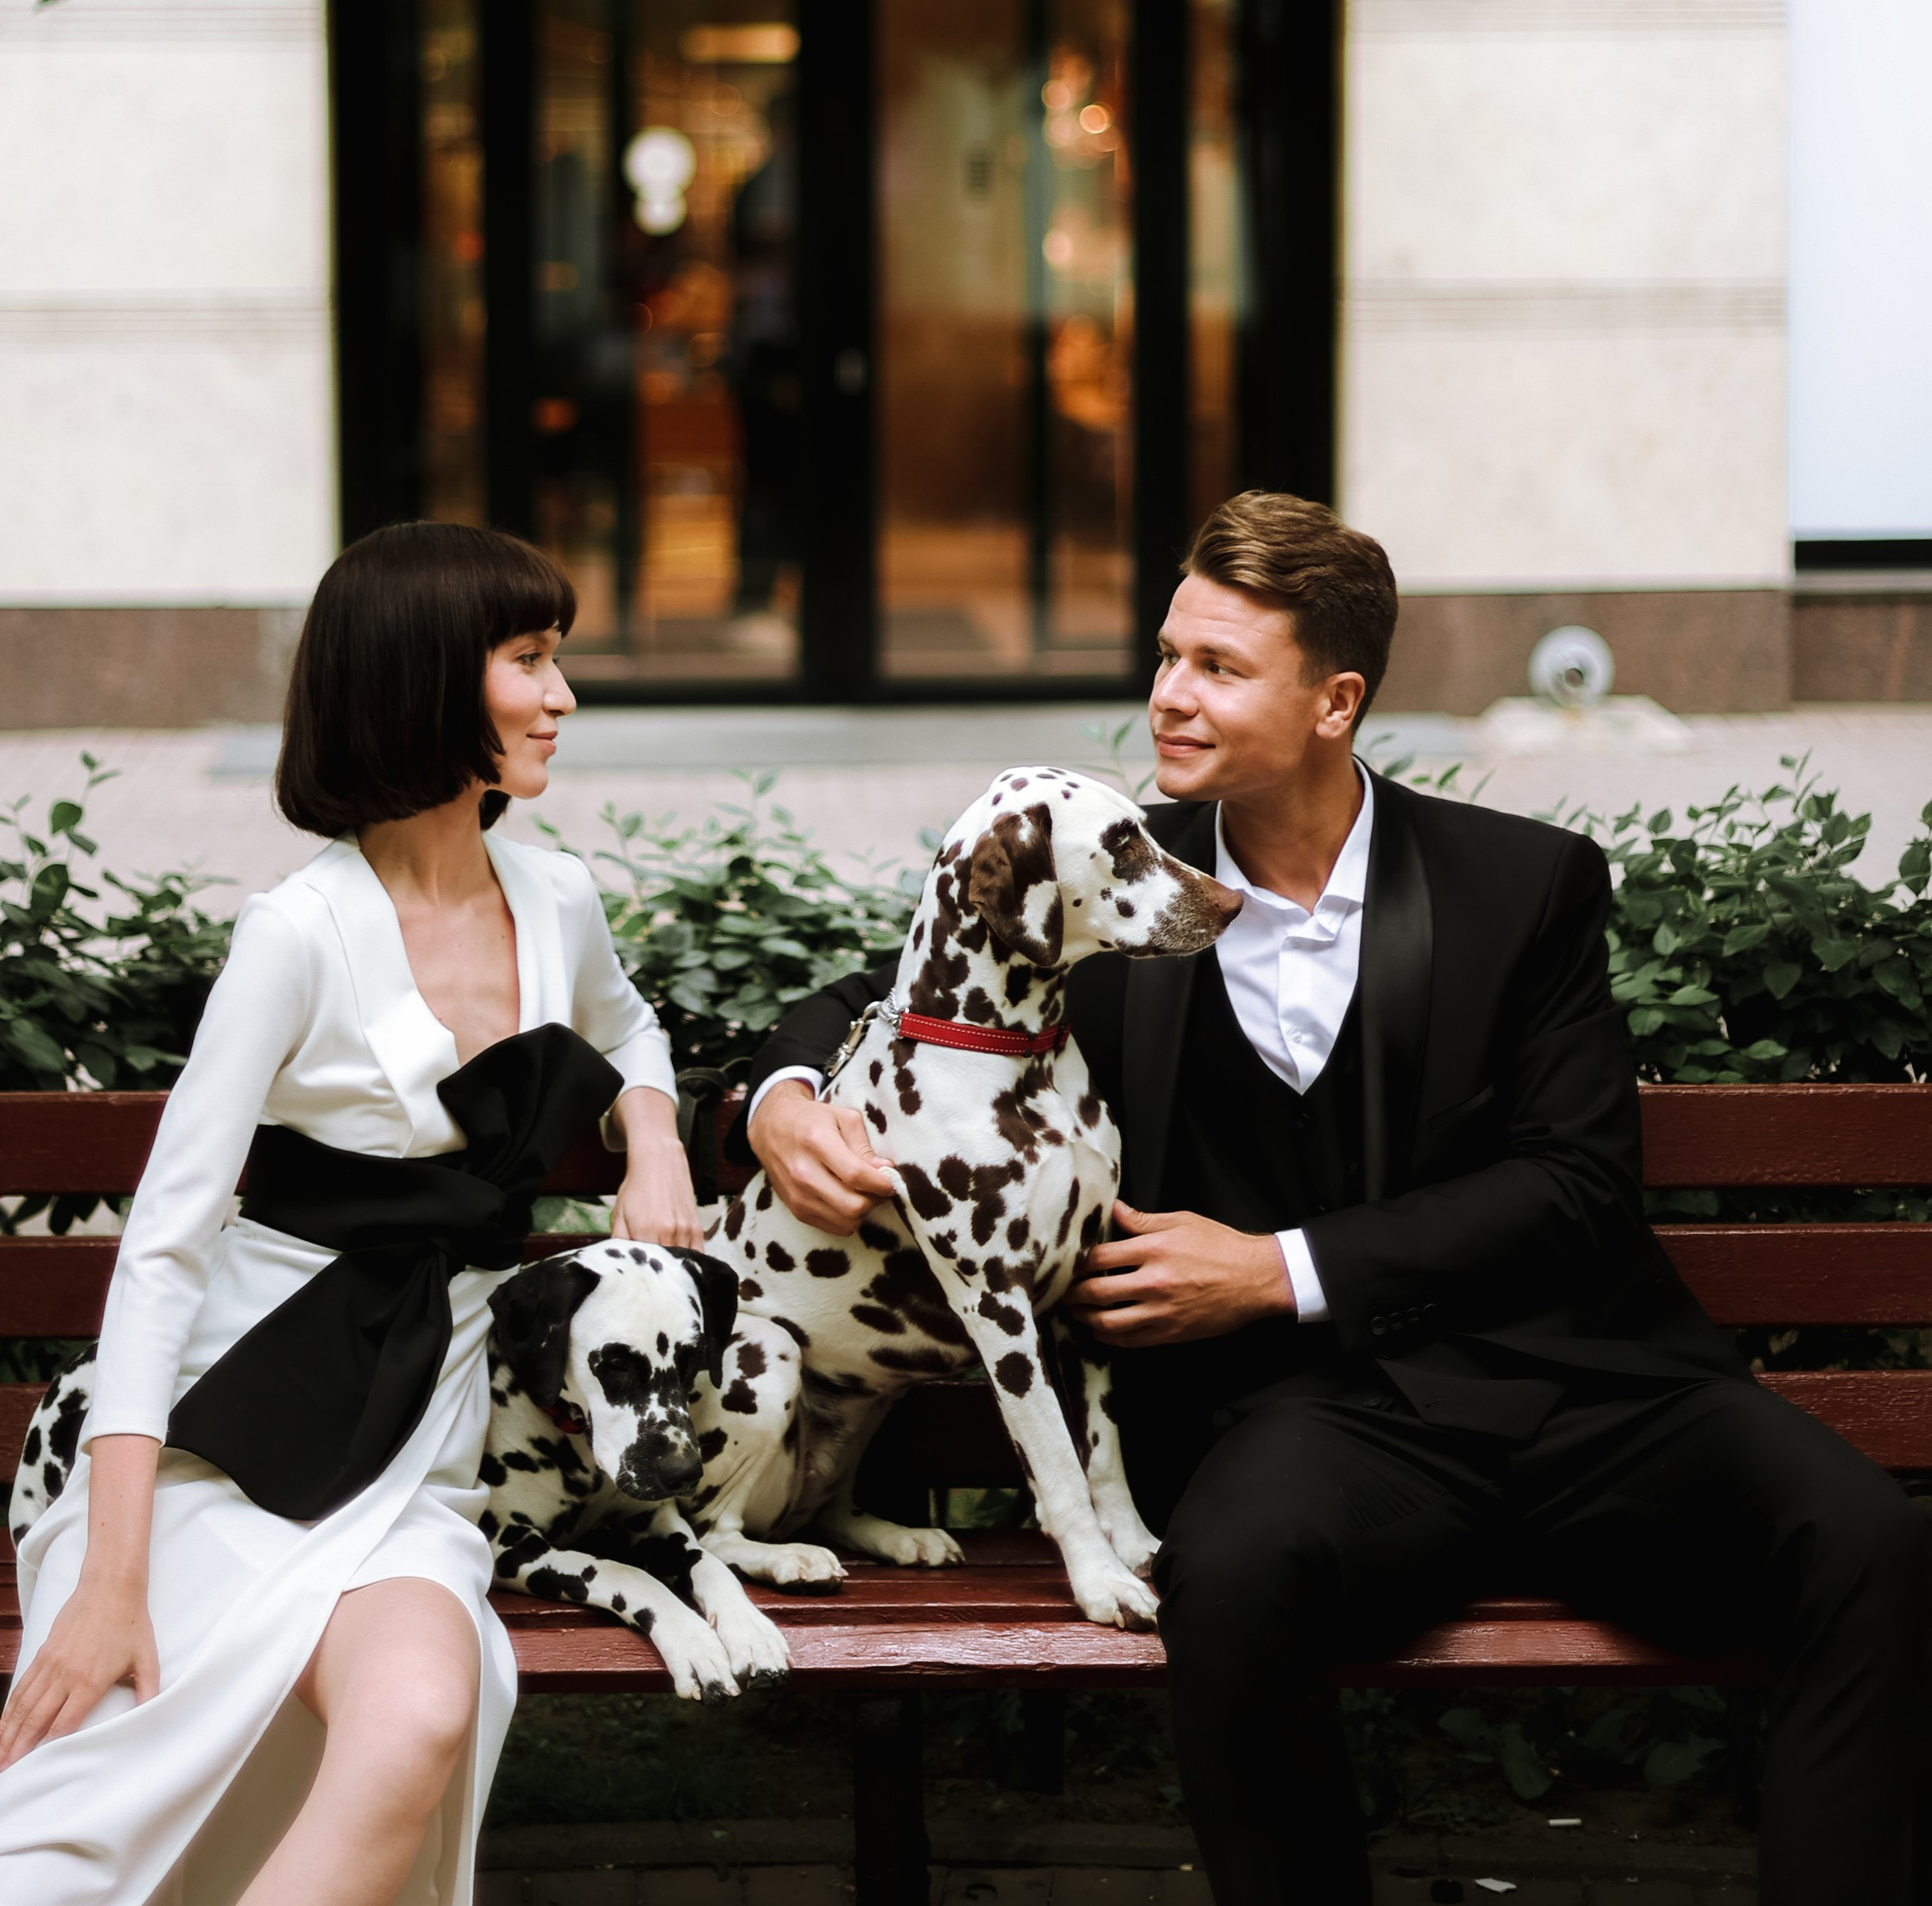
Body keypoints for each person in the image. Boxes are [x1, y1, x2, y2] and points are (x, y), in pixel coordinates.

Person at [743, 492, 1929, 1906]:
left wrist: (1277, 1268)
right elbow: (859, 1002)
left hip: (1582, 1390)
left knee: (1869, 1550)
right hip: (1305, 1424)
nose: (1167, 697)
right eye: (1170, 653)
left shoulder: (1522, 886)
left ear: (1335, 701)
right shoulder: (1115, 899)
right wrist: (779, 1099)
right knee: (1230, 1580)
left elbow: (1575, 1184)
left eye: (1218, 668)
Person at [0, 522, 698, 1906]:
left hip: (417, 1454)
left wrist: (655, 1142)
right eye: (530, 660)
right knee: (87, 1811)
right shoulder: (297, 934)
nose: (564, 696)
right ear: (422, 684)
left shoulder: (557, 898)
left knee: (419, 1717)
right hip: (234, 1444)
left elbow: (632, 1033)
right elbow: (162, 1252)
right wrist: (109, 1576)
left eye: (558, 659)